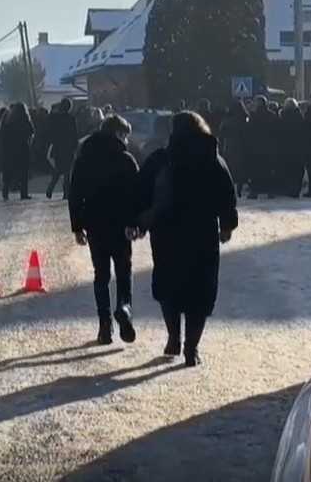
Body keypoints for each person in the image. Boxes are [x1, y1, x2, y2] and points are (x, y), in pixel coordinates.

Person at [137, 111, 238, 367]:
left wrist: (138, 222)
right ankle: (192, 348)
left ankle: (173, 337)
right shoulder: (213, 160)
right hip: (201, 233)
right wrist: (226, 225)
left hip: (167, 233)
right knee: (199, 292)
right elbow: (227, 194)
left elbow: (142, 191)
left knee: (170, 287)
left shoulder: (161, 159)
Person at [70, 114, 140, 345]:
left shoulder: (84, 158)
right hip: (121, 226)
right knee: (123, 270)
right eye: (125, 135)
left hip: (95, 225)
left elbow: (74, 194)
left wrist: (77, 227)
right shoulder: (126, 160)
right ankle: (124, 308)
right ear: (118, 134)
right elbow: (135, 195)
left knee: (101, 275)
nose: (127, 140)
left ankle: (104, 326)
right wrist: (134, 223)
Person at [45, 99, 80, 199]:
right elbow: (74, 134)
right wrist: (75, 146)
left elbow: (50, 131)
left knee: (58, 169)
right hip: (68, 148)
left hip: (58, 147)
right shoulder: (71, 118)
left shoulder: (54, 118)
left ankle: (50, 188)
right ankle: (66, 193)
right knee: (67, 172)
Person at [0, 102, 35, 201]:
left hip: (10, 150)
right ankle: (24, 193)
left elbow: (3, 136)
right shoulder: (26, 121)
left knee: (8, 171)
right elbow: (32, 132)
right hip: (23, 149)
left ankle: (5, 192)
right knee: (23, 172)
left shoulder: (7, 121)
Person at [219, 101, 250, 197]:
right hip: (242, 146)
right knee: (240, 169)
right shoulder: (245, 119)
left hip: (229, 146)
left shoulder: (227, 120)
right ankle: (239, 189)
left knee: (229, 169)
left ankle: (228, 189)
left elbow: (221, 134)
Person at [279, 98, 309, 197]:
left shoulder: (283, 117)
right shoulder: (299, 116)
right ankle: (296, 190)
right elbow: (304, 132)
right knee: (297, 170)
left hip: (286, 148)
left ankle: (289, 189)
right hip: (298, 149)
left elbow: (279, 132)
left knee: (288, 170)